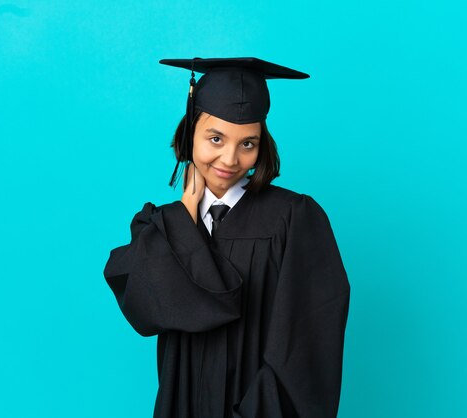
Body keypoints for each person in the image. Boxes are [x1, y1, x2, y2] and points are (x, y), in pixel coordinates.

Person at [103, 57, 351, 418]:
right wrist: (183, 216)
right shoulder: (160, 224)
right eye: (215, 138)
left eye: (248, 143)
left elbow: (308, 348)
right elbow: (146, 309)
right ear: (190, 133)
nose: (230, 159)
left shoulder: (294, 219)